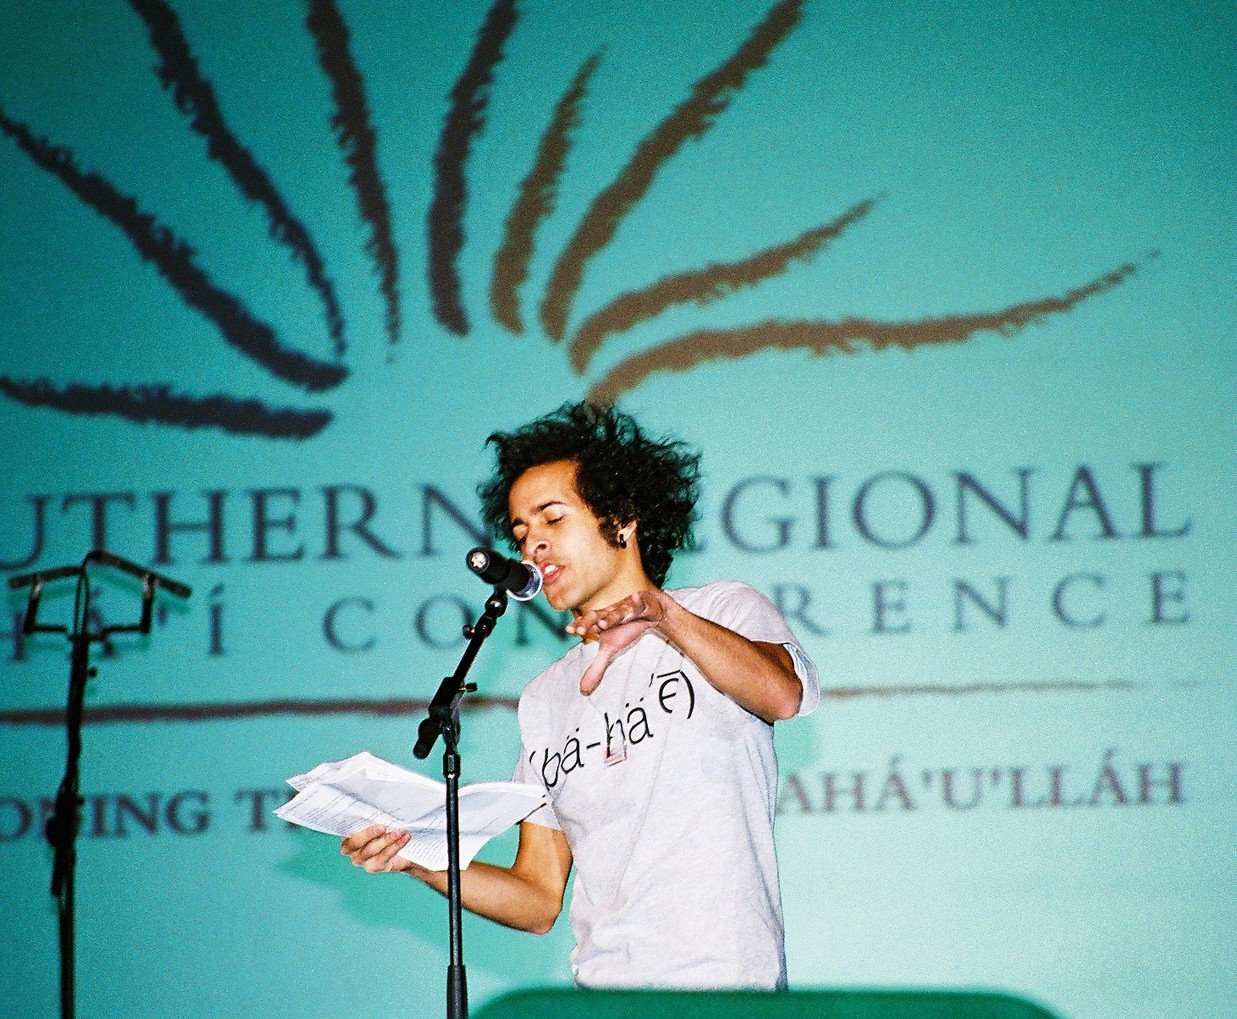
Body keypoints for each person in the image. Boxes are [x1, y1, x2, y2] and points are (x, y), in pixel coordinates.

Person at [342, 402, 819, 989]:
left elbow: (782, 695)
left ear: (621, 519)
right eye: (521, 534)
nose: (533, 547)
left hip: (725, 987)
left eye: (552, 519)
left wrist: (664, 615)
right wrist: (417, 856)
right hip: (601, 994)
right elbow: (537, 897)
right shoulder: (546, 698)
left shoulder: (720, 610)